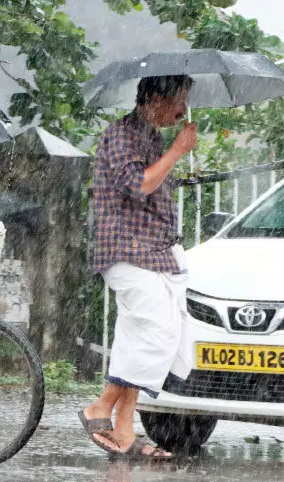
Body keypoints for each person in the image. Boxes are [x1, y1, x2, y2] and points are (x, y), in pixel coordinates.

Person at [78, 75, 198, 459]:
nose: (182, 111)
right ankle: (100, 407)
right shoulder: (123, 134)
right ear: (156, 98)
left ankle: (125, 432)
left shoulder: (150, 136)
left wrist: (174, 156)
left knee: (140, 337)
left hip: (154, 252)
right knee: (157, 332)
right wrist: (178, 152)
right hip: (127, 250)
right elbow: (137, 186)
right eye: (178, 101)